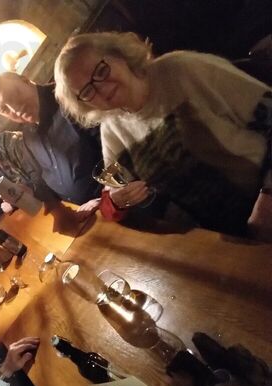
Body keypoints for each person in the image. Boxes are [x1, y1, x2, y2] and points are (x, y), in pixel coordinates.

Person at [53, 31, 272, 240]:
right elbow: (112, 193)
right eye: (87, 91)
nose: (101, 89)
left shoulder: (183, 69)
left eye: (101, 71)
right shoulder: (111, 129)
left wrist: (268, 194)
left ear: (119, 55)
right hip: (224, 232)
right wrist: (117, 202)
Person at [0, 72, 103, 209]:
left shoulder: (67, 97)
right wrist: (30, 192)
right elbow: (39, 179)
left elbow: (113, 143)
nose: (15, 110)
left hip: (109, 198)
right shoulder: (28, 136)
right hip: (76, 211)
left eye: (13, 95)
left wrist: (105, 195)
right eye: (5, 109)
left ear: (26, 80)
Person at [0, 127, 99, 227]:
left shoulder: (10, 142)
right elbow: (3, 206)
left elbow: (42, 175)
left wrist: (24, 192)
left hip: (72, 195)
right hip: (52, 209)